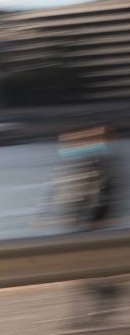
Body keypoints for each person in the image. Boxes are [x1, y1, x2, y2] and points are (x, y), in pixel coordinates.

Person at [52, 124, 121, 323]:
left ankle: (84, 312)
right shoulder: (91, 162)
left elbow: (103, 195)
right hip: (85, 226)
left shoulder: (99, 163)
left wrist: (94, 222)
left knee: (84, 271)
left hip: (91, 227)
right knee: (84, 271)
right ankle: (86, 311)